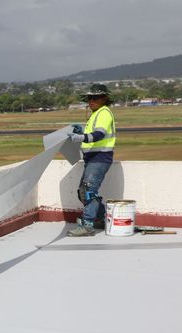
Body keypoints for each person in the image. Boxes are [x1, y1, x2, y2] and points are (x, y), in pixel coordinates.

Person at [67, 83, 117, 237]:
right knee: (85, 192)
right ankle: (101, 218)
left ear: (105, 98)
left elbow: (99, 134)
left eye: (95, 97)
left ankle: (88, 225)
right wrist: (82, 131)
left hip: (100, 157)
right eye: (89, 98)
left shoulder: (103, 113)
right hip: (93, 157)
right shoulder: (96, 113)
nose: (91, 100)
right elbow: (94, 133)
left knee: (88, 191)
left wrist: (81, 137)